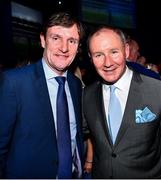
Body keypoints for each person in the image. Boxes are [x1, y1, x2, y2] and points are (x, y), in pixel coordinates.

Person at [0, 12, 85, 179]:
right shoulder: (14, 82)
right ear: (42, 40)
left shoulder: (75, 84)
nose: (64, 48)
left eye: (72, 41)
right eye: (56, 38)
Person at [83, 25, 161, 178]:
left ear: (126, 51)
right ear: (91, 58)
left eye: (114, 52)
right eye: (98, 55)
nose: (108, 62)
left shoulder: (156, 90)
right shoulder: (87, 95)